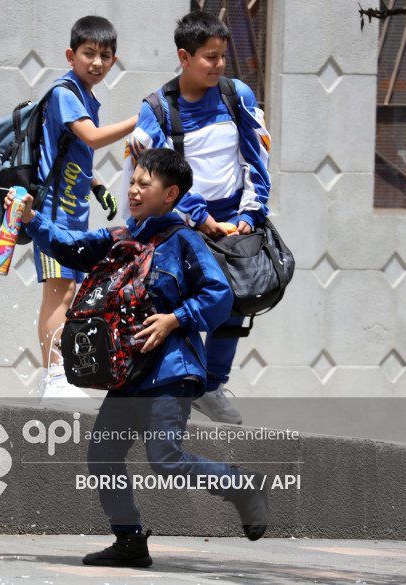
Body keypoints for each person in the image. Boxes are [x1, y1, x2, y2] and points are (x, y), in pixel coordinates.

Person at [8, 148, 269, 568]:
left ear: (171, 195)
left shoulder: (184, 240)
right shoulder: (120, 239)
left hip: (169, 371)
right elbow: (72, 248)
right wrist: (31, 220)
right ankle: (129, 540)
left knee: (164, 458)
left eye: (144, 183)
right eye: (132, 181)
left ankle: (241, 485)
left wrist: (174, 319)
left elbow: (218, 297)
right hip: (129, 375)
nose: (132, 189)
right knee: (103, 456)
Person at [122, 11, 271, 425]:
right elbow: (150, 177)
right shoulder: (156, 109)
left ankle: (211, 385)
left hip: (233, 225)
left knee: (239, 299)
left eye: (223, 56)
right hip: (178, 226)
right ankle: (164, 388)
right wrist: (200, 218)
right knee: (173, 305)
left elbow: (258, 156)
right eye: (210, 57)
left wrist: (250, 212)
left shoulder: (235, 95)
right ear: (184, 57)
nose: (219, 65)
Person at [32, 15, 138, 404]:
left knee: (71, 292)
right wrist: (140, 118)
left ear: (113, 61)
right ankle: (53, 377)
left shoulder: (86, 96)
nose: (96, 61)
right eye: (88, 53)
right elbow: (91, 138)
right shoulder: (64, 93)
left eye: (104, 55)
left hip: (74, 212)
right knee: (58, 295)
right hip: (52, 214)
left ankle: (61, 375)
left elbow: (73, 153)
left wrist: (96, 186)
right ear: (71, 55)